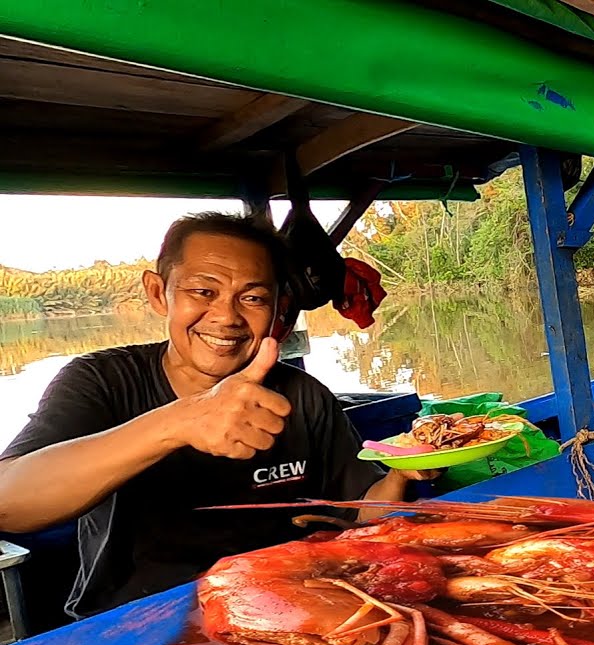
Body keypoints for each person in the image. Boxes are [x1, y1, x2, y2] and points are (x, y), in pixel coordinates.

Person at [0, 212, 415, 624]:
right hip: (135, 621)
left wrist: (405, 469)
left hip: (284, 610)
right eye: (203, 291)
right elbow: (9, 503)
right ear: (159, 293)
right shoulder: (102, 381)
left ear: (278, 309)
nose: (226, 317)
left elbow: (361, 514)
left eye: (253, 298)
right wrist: (179, 422)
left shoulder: (302, 396)